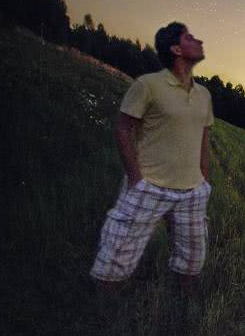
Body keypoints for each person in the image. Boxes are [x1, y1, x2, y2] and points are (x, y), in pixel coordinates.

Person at [90, 22, 214, 291]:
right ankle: (101, 312)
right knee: (116, 256)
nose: (199, 40)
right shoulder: (148, 85)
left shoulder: (204, 94)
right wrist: (136, 177)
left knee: (192, 260)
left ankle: (182, 312)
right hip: (149, 186)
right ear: (176, 49)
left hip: (192, 192)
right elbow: (123, 128)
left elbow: (204, 139)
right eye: (190, 37)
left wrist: (203, 181)